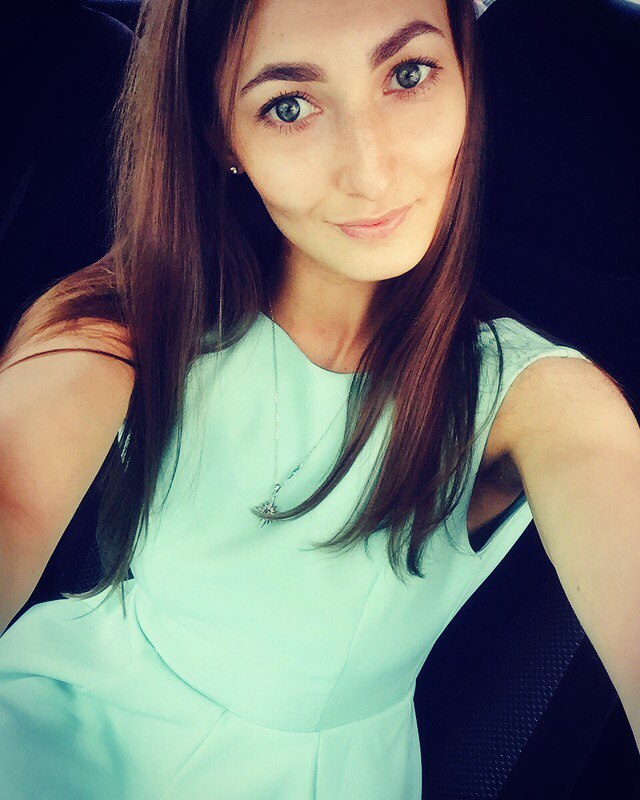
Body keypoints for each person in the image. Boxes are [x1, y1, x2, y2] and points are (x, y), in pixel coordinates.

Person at [0, 0, 638, 797]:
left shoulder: (538, 400)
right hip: (57, 716)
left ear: (467, 79)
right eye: (289, 106)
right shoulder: (126, 317)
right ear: (220, 136)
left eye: (409, 74)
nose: (370, 171)